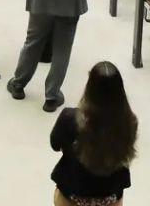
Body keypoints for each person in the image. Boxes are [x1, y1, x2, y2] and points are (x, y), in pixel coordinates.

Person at [49, 61, 137, 206]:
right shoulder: (130, 122)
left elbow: (55, 144)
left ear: (90, 88)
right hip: (110, 197)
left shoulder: (70, 118)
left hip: (73, 195)